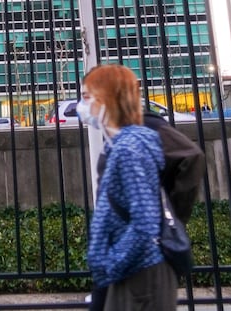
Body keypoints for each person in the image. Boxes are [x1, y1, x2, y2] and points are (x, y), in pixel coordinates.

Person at [77, 64, 178, 311]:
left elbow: (144, 222)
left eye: (87, 97)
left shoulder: (128, 149)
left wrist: (111, 264)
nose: (82, 106)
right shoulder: (121, 145)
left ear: (106, 99)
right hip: (131, 274)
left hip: (139, 278)